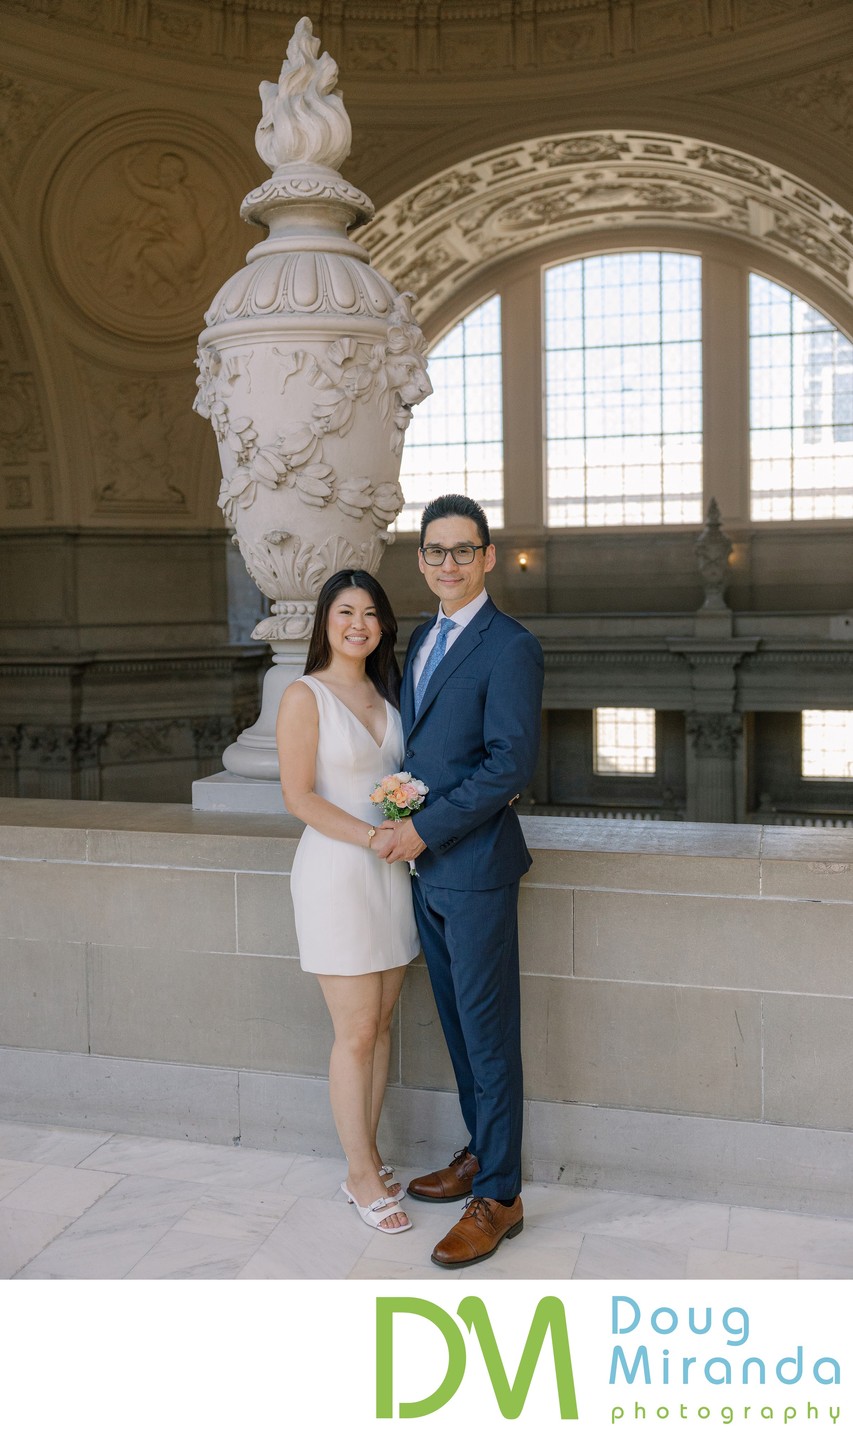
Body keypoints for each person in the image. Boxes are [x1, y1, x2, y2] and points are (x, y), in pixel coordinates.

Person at [372, 494, 544, 1268]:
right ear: (420, 560)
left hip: (473, 869)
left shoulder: (510, 646)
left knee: (488, 1034)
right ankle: (480, 1152)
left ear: (487, 556)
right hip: (427, 872)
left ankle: (500, 1195)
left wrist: (423, 827)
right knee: (457, 1029)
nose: (449, 563)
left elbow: (508, 764)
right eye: (435, 551)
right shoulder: (422, 637)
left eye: (463, 550)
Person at [276, 569, 419, 1234]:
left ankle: (370, 1154)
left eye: (369, 613)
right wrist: (370, 835)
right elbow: (298, 796)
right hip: (338, 871)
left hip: (392, 873)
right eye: (344, 612)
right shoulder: (304, 694)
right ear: (325, 622)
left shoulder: (388, 693)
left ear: (383, 625)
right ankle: (358, 1175)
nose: (358, 624)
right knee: (355, 1032)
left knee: (381, 1026)